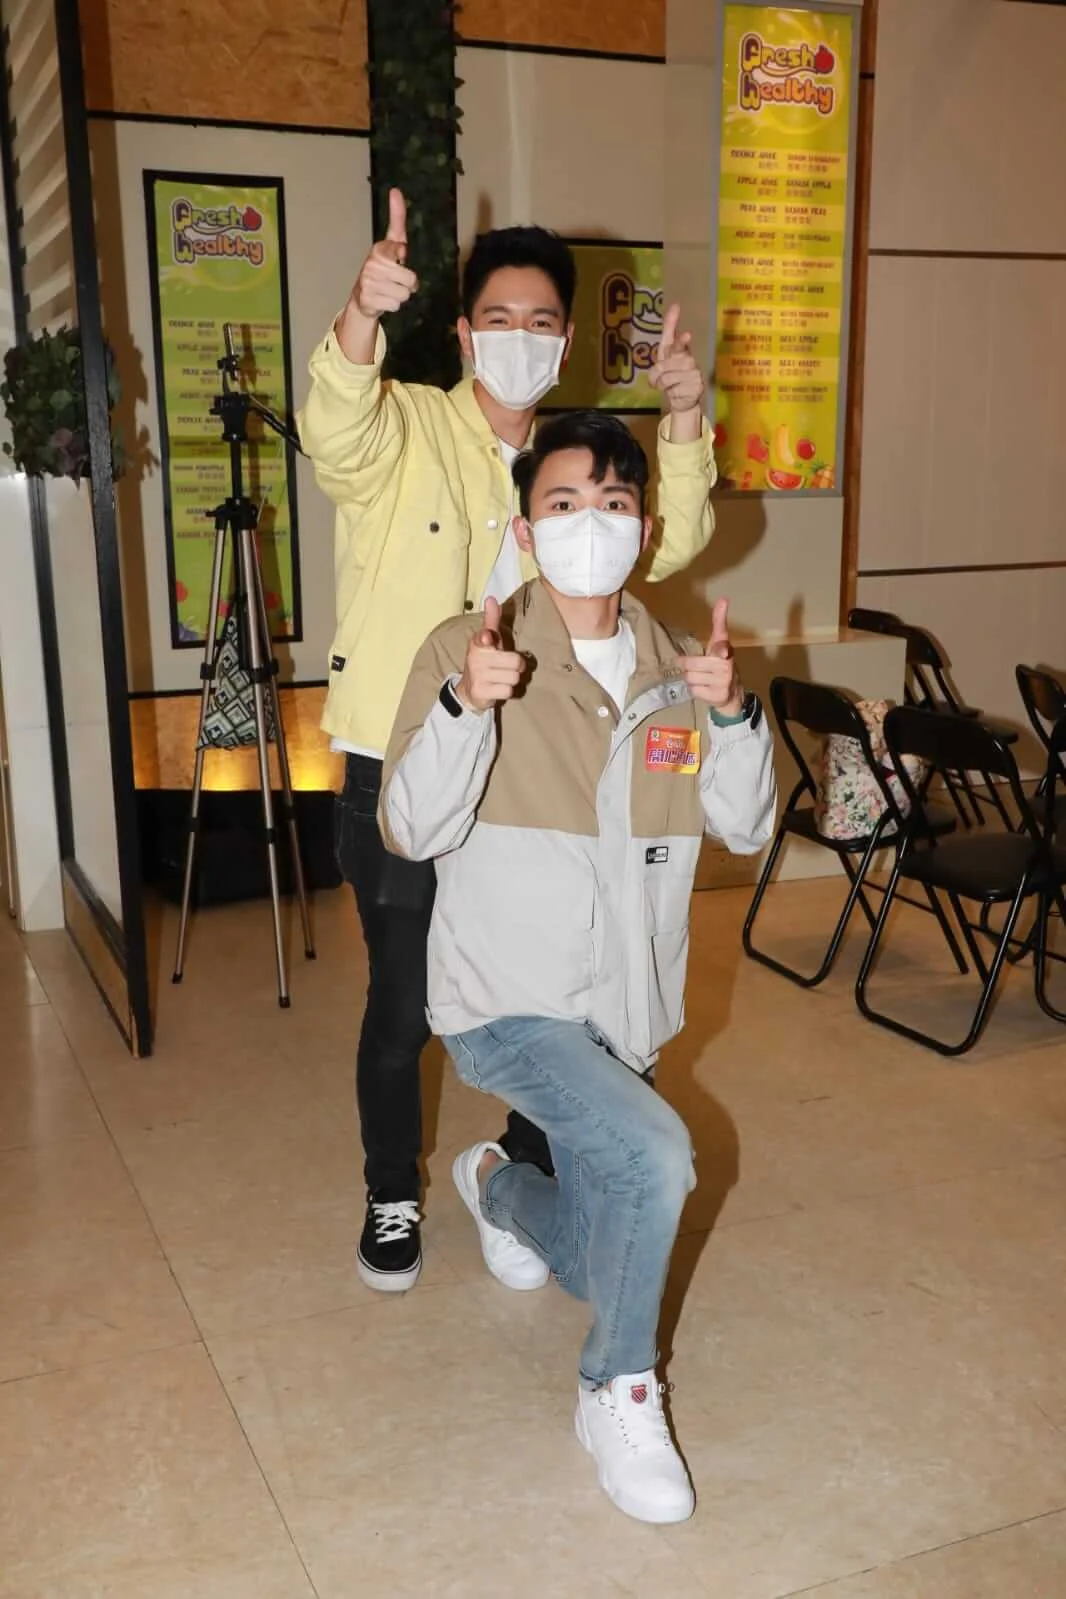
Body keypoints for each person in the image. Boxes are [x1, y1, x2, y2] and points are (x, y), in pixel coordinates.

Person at [298, 190, 717, 1294]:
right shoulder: (404, 424)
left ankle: (510, 1172)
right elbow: (332, 430)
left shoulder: (572, 463)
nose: (519, 339)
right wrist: (358, 314)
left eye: (540, 322)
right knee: (403, 1004)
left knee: (557, 997)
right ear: (462, 331)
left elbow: (666, 539)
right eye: (498, 318)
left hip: (538, 774)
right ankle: (392, 1190)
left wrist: (682, 420)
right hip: (408, 758)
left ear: (565, 340)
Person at [378, 411, 776, 1523]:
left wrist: (734, 715)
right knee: (657, 1156)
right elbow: (410, 827)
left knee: (610, 1261)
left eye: (611, 503)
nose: (586, 524)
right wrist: (466, 705)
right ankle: (617, 1390)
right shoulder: (470, 651)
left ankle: (500, 1188)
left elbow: (747, 827)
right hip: (504, 1001)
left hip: (624, 1012)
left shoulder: (679, 672)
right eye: (561, 503)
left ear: (643, 531)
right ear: (524, 528)